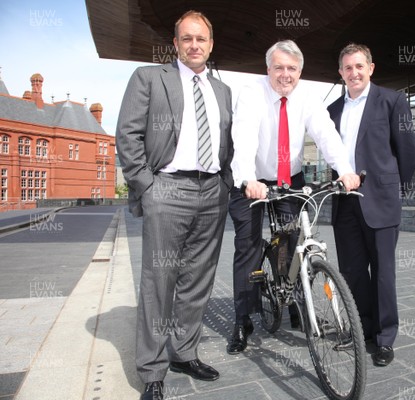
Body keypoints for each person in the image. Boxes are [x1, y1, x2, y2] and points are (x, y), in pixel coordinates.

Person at [116, 10, 233, 400]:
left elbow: (227, 142)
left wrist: (227, 183)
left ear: (211, 44)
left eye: (201, 39)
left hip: (212, 192)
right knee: (159, 282)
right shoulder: (149, 78)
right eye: (187, 39)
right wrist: (147, 187)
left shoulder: (222, 91)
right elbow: (128, 136)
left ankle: (184, 352)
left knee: (197, 280)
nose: (194, 45)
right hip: (167, 189)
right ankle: (151, 371)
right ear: (176, 44)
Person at [227, 40, 361, 354]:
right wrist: (248, 178)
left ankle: (297, 307)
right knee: (247, 246)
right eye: (279, 68)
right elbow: (243, 136)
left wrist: (345, 171)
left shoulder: (307, 97)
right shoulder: (251, 93)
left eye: (292, 69)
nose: (285, 75)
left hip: (290, 178)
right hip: (253, 177)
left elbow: (327, 136)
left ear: (299, 71)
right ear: (268, 69)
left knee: (292, 244)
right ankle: (242, 319)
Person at [327, 43, 415, 367]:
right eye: (348, 68)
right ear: (341, 73)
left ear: (371, 68)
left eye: (359, 66)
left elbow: (407, 151)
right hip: (345, 203)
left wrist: (397, 190)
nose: (354, 73)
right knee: (352, 271)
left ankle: (384, 338)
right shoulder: (333, 110)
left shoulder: (392, 101)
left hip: (381, 200)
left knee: (383, 273)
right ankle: (362, 328)